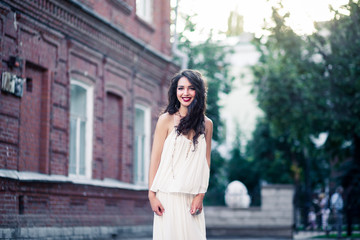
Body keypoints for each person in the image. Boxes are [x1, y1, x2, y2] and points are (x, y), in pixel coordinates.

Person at [148, 69, 213, 240]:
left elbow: (206, 162)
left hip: (192, 198)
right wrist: (151, 195)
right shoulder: (166, 120)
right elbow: (155, 159)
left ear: (198, 91)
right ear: (175, 91)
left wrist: (201, 195)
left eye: (191, 88)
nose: (185, 93)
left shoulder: (207, 124)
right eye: (181, 88)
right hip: (167, 197)